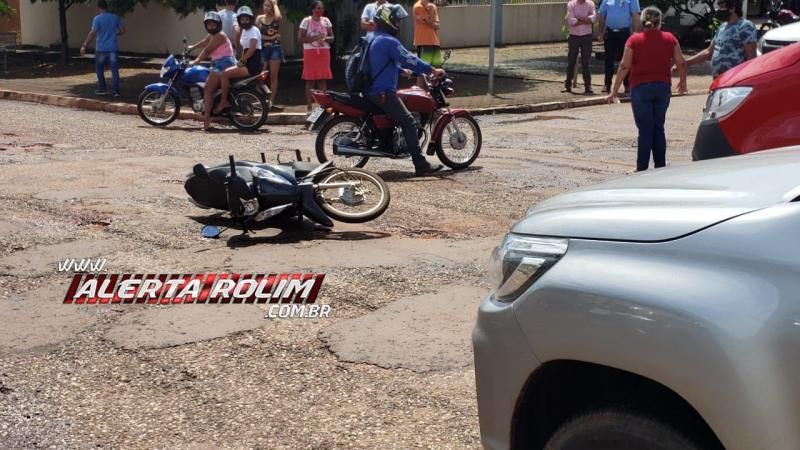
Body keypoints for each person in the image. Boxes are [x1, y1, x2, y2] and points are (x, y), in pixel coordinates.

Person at [367, 4, 447, 176]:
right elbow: (409, 58)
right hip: (383, 93)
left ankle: (393, 143)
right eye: (396, 20)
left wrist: (402, 72)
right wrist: (432, 70)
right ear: (387, 21)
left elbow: (380, 64)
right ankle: (421, 164)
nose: (399, 24)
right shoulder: (389, 41)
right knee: (409, 122)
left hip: (371, 90)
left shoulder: (373, 37)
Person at [606, 6, 688, 172]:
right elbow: (681, 61)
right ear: (660, 22)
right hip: (663, 87)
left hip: (641, 87)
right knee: (659, 126)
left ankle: (642, 168)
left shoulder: (634, 40)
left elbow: (624, 65)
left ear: (643, 22)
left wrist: (614, 90)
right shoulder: (670, 38)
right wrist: (683, 82)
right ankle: (660, 167)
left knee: (645, 129)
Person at [188, 12, 237, 131]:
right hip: (219, 63)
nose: (210, 26)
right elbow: (204, 42)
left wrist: (197, 60)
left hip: (224, 63)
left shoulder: (219, 35)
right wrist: (192, 47)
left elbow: (208, 49)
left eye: (213, 24)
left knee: (208, 90)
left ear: (218, 24)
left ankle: (206, 122)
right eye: (208, 24)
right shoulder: (213, 35)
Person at [684, 0, 756, 78]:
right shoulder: (722, 27)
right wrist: (685, 63)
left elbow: (751, 57)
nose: (719, 10)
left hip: (734, 81)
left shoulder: (745, 26)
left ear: (732, 8)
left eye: (721, 7)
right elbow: (709, 52)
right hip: (718, 80)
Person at [214, 6, 263, 114]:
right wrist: (239, 60)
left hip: (252, 64)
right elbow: (245, 49)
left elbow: (252, 49)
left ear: (251, 19)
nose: (244, 21)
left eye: (246, 19)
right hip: (247, 62)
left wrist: (241, 60)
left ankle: (223, 102)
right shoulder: (245, 30)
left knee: (224, 75)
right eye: (242, 19)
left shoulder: (253, 30)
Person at [80, 0, 125, 97]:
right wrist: (115, 34)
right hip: (113, 48)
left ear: (98, 8)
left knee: (99, 69)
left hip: (101, 48)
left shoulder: (97, 19)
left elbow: (92, 33)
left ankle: (102, 88)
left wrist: (85, 45)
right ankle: (116, 91)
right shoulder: (115, 17)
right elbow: (122, 30)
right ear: (107, 7)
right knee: (114, 70)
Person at [598, 0, 641, 94]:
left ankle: (627, 84)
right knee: (608, 59)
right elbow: (602, 15)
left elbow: (635, 15)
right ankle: (607, 84)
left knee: (626, 60)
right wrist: (600, 32)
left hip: (624, 33)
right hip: (610, 33)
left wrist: (636, 32)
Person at [298, 1, 334, 112]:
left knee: (322, 79)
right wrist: (315, 38)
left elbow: (332, 37)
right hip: (310, 52)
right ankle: (309, 106)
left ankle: (323, 106)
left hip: (324, 52)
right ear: (313, 9)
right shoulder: (306, 21)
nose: (320, 11)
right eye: (318, 8)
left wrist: (326, 38)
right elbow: (300, 38)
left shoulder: (326, 21)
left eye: (322, 8)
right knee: (310, 80)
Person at [563, 0, 596, 94]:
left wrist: (579, 19)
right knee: (571, 61)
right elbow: (571, 21)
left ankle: (588, 86)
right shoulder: (571, 4)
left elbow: (593, 18)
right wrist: (586, 20)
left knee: (586, 62)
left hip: (587, 36)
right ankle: (567, 85)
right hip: (574, 36)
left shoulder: (590, 4)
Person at [256, 0, 283, 109]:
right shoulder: (259, 18)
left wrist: (275, 4)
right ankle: (261, 99)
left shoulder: (275, 19)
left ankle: (271, 100)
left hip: (275, 49)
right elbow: (257, 35)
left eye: (270, 6)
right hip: (262, 48)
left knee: (273, 76)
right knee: (259, 75)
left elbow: (279, 18)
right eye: (266, 5)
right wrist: (271, 37)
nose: (267, 8)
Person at [413, 0, 442, 88]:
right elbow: (430, 22)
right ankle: (419, 92)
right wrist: (430, 11)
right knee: (422, 69)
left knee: (435, 69)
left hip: (434, 42)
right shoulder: (418, 7)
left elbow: (437, 25)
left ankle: (435, 92)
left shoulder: (432, 6)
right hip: (424, 42)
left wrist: (431, 10)